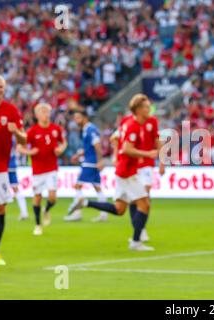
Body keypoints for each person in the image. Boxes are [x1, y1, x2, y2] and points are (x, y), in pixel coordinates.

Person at [68, 94, 158, 251]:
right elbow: (127, 149)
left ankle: (85, 202)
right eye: (145, 106)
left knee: (119, 209)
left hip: (124, 169)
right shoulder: (134, 126)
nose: (148, 109)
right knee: (144, 204)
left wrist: (118, 154)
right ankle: (137, 240)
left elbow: (116, 140)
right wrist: (147, 154)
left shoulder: (131, 123)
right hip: (128, 171)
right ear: (137, 109)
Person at [0, 74, 27, 266]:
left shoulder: (11, 111)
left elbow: (23, 140)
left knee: (0, 208)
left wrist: (17, 132)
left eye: (0, 87)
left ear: (4, 89)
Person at [110, 110, 165, 242]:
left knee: (144, 196)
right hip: (132, 165)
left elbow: (158, 142)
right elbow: (114, 138)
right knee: (134, 200)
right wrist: (116, 156)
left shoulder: (152, 121)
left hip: (146, 164)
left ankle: (141, 230)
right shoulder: (127, 121)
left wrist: (162, 163)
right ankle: (138, 231)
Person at [18, 103, 67, 236]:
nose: (45, 114)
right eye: (42, 112)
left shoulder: (56, 129)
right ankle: (38, 224)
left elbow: (63, 142)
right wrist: (30, 152)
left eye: (47, 111)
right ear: (37, 115)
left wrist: (60, 149)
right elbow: (19, 147)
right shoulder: (32, 131)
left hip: (52, 168)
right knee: (37, 197)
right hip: (38, 170)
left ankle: (47, 209)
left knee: (52, 197)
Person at [64, 109, 107, 222]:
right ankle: (104, 213)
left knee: (78, 186)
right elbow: (89, 147)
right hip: (90, 161)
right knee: (97, 187)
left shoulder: (90, 129)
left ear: (85, 118)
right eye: (75, 118)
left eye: (78, 117)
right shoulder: (85, 129)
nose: (76, 120)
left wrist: (100, 161)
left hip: (90, 162)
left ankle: (77, 213)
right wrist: (78, 155)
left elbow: (97, 146)